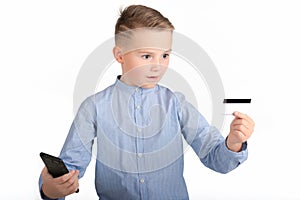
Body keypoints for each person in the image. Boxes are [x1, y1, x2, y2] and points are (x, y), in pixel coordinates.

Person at [39, 4, 255, 200]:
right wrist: (52, 188)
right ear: (120, 55)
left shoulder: (176, 104)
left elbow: (215, 157)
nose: (158, 66)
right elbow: (69, 168)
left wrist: (234, 143)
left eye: (165, 55)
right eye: (146, 56)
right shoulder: (94, 107)